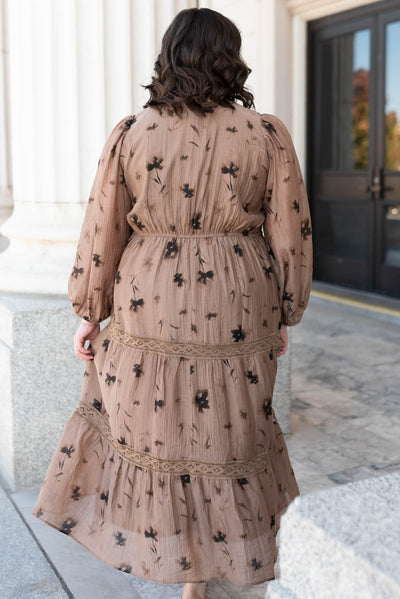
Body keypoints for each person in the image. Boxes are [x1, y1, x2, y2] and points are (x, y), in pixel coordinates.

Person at [31, 7, 313, 599]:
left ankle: (183, 569)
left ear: (168, 56)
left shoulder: (132, 131)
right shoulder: (264, 132)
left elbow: (102, 227)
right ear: (230, 58)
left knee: (160, 431)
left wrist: (90, 310)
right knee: (230, 431)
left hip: (149, 293)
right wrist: (287, 309)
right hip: (240, 297)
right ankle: (207, 575)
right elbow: (291, 230)